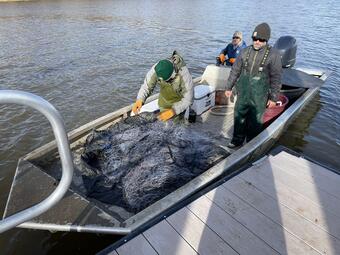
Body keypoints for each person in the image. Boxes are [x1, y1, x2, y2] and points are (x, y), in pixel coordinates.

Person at [224, 23, 282, 148]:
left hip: (259, 94)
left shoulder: (274, 54)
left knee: (255, 120)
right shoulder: (245, 51)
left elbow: (276, 78)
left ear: (266, 40)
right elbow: (235, 70)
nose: (257, 42)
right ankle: (237, 140)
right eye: (255, 39)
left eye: (261, 40)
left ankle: (251, 142)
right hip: (243, 91)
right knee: (239, 115)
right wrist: (229, 87)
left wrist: (273, 98)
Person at [132, 51, 193, 122]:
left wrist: (174, 111)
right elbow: (147, 86)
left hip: (179, 103)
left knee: (177, 124)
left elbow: (188, 99)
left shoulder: (185, 75)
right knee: (163, 123)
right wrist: (140, 99)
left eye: (169, 80)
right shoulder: (157, 69)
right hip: (164, 102)